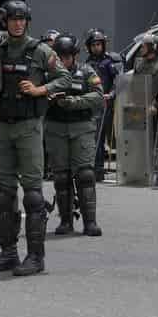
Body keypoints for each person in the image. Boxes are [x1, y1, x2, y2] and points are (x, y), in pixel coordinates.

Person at [0, 0, 66, 276]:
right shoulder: (0, 51)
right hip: (4, 126)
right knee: (3, 195)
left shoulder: (40, 51)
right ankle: (8, 252)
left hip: (29, 127)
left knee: (33, 196)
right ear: (5, 21)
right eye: (13, 19)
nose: (18, 23)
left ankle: (36, 257)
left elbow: (65, 78)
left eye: (22, 19)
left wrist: (41, 90)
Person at [43, 32, 105, 238]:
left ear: (75, 56)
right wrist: (48, 98)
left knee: (85, 174)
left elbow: (97, 96)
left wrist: (73, 102)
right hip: (55, 127)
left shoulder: (87, 71)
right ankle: (65, 221)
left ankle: (90, 222)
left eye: (67, 56)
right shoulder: (48, 74)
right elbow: (35, 93)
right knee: (61, 176)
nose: (64, 61)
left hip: (81, 127)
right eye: (60, 57)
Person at [85, 28, 120, 178]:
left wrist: (111, 94)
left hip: (108, 105)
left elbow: (118, 81)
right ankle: (97, 169)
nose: (96, 47)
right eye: (93, 45)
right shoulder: (87, 63)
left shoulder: (109, 61)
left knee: (113, 138)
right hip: (93, 105)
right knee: (95, 138)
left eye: (99, 44)